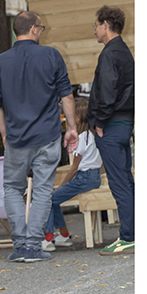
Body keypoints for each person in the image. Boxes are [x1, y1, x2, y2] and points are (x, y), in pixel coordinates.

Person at [0, 12, 78, 263]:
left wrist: (4, 132)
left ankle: (19, 246)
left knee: (12, 189)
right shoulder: (51, 56)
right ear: (35, 30)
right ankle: (34, 246)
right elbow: (66, 96)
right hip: (47, 136)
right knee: (42, 191)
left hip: (16, 139)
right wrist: (72, 127)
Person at [88, 5, 135, 256]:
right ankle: (133, 234)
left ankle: (128, 237)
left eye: (96, 25)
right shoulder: (125, 52)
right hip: (124, 123)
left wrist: (100, 123)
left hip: (111, 126)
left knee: (120, 183)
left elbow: (106, 93)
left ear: (105, 24)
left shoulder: (109, 54)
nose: (95, 30)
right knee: (126, 181)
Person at [44, 98, 102, 251]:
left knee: (49, 199)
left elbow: (74, 168)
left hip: (84, 177)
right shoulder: (93, 134)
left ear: (77, 117)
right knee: (54, 200)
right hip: (94, 177)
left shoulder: (81, 138)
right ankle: (63, 235)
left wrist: (62, 185)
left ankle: (48, 238)